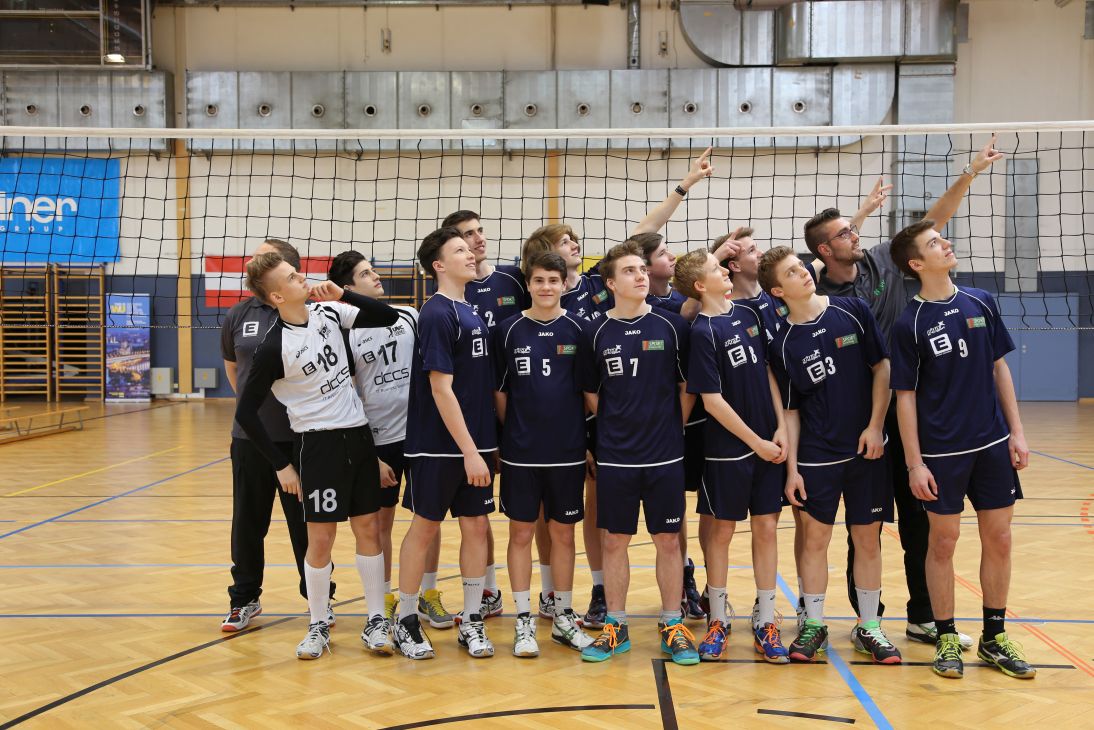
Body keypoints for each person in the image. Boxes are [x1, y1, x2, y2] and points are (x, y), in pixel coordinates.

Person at [800, 138, 1003, 646]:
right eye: (844, 233)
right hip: (861, 418)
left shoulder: (883, 263)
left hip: (912, 409)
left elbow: (932, 221)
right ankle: (868, 620)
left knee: (919, 517)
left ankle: (924, 615)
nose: (855, 234)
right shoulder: (820, 294)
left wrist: (970, 173)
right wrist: (854, 219)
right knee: (863, 525)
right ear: (824, 251)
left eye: (854, 229)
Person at [234, 252, 400, 660]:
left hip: (358, 438)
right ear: (277, 296)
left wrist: (344, 294)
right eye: (292, 278)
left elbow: (386, 317)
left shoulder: (329, 312)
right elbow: (245, 412)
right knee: (321, 538)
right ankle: (318, 623)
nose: (302, 279)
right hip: (317, 445)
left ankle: (376, 620)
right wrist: (282, 466)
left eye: (297, 273)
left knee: (368, 529)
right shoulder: (274, 346)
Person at [888, 220, 1035, 680]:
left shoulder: (981, 301)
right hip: (942, 453)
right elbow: (905, 398)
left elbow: (999, 368)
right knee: (943, 542)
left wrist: (1017, 432)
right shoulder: (909, 323)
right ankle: (946, 635)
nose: (946, 244)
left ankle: (994, 637)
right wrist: (914, 463)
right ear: (917, 263)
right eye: (935, 243)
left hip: (992, 443)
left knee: (1000, 538)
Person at [758, 245, 901, 665]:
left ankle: (870, 626)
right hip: (817, 456)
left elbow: (882, 368)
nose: (803, 272)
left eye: (801, 266)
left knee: (867, 538)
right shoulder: (782, 342)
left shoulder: (852, 310)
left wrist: (875, 426)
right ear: (777, 291)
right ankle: (814, 624)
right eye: (791, 272)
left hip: (866, 449)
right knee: (815, 540)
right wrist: (792, 470)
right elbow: (790, 413)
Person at [577, 241, 699, 666]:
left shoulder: (672, 326)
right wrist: (617, 425)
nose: (641, 275)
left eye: (642, 269)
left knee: (668, 539)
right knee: (614, 540)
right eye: (629, 271)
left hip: (665, 453)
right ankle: (616, 626)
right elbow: (591, 392)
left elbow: (687, 388)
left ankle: (672, 624)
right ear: (611, 283)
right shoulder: (594, 331)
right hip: (615, 455)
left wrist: (671, 428)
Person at [327, 251, 456, 631]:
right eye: (366, 274)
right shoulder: (345, 330)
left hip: (421, 435)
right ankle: (383, 598)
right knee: (379, 523)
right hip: (379, 440)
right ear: (347, 288)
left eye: (374, 271)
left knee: (428, 519)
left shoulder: (408, 315)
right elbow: (345, 393)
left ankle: (428, 593)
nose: (376, 277)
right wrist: (369, 453)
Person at [673, 249, 790, 664]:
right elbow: (712, 401)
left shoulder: (749, 313)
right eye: (714, 268)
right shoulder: (701, 332)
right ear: (700, 285)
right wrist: (757, 442)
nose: (724, 270)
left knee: (767, 528)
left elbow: (769, 374)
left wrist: (780, 426)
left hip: (769, 442)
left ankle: (766, 619)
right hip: (729, 451)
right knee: (721, 533)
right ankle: (718, 619)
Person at [219, 239, 336, 632]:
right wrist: (255, 414)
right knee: (248, 523)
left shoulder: (314, 313)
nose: (253, 261)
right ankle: (244, 599)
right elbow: (235, 371)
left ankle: (318, 598)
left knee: (307, 525)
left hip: (303, 437)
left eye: (263, 256)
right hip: (250, 439)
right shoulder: (239, 314)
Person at [394, 226, 499, 661]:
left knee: (475, 527)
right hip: (439, 447)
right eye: (459, 250)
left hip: (476, 444)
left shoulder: (468, 309)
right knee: (425, 527)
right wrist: (470, 451)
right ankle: (404, 619)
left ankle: (471, 619)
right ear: (438, 265)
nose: (470, 253)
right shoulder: (437, 313)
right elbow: (441, 388)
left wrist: (484, 446)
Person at [492, 251, 596, 656]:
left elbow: (587, 394)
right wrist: (514, 434)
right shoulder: (508, 330)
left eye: (553, 280)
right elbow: (501, 393)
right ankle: (523, 620)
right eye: (539, 280)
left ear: (564, 283)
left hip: (567, 451)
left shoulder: (580, 329)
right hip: (521, 452)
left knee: (563, 534)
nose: (547, 287)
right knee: (520, 533)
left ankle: (563, 616)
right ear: (528, 284)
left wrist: (587, 443)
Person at [520, 225, 614, 624]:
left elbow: (639, 237)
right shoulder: (530, 310)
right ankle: (552, 592)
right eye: (564, 242)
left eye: (575, 239)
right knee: (548, 514)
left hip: (600, 411)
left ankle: (599, 589)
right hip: (555, 425)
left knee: (595, 507)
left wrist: (679, 193)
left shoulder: (593, 285)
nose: (575, 245)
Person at [443, 209, 529, 619]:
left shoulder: (513, 279)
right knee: (479, 509)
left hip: (518, 405)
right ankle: (490, 590)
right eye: (466, 235)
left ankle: (547, 592)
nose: (477, 239)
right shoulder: (453, 297)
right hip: (476, 410)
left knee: (528, 510)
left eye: (479, 231)